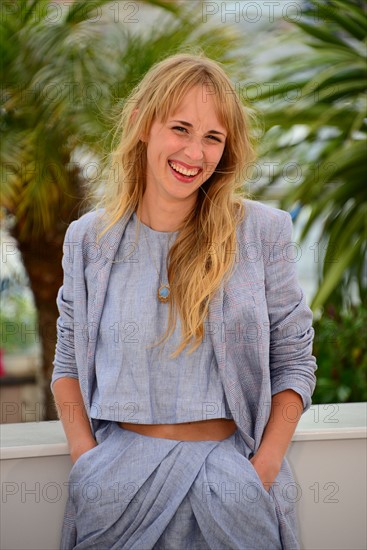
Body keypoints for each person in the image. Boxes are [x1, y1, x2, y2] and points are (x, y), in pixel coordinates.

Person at [52, 53, 317, 550]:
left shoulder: (262, 232)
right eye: (181, 128)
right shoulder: (89, 240)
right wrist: (86, 460)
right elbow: (67, 361)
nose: (194, 152)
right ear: (142, 124)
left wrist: (262, 469)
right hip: (116, 497)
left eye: (213, 138)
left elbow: (295, 363)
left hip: (232, 491)